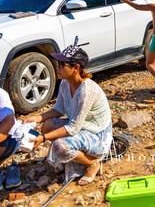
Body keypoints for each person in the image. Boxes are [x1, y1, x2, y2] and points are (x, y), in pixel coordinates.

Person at [24, 46, 112, 186]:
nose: (58, 68)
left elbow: (72, 128)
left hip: (97, 134)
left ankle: (92, 163)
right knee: (47, 125)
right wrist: (38, 118)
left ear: (76, 68)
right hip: (81, 126)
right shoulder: (65, 83)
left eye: (61, 65)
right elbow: (58, 109)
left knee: (60, 146)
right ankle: (74, 158)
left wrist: (43, 138)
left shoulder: (86, 90)